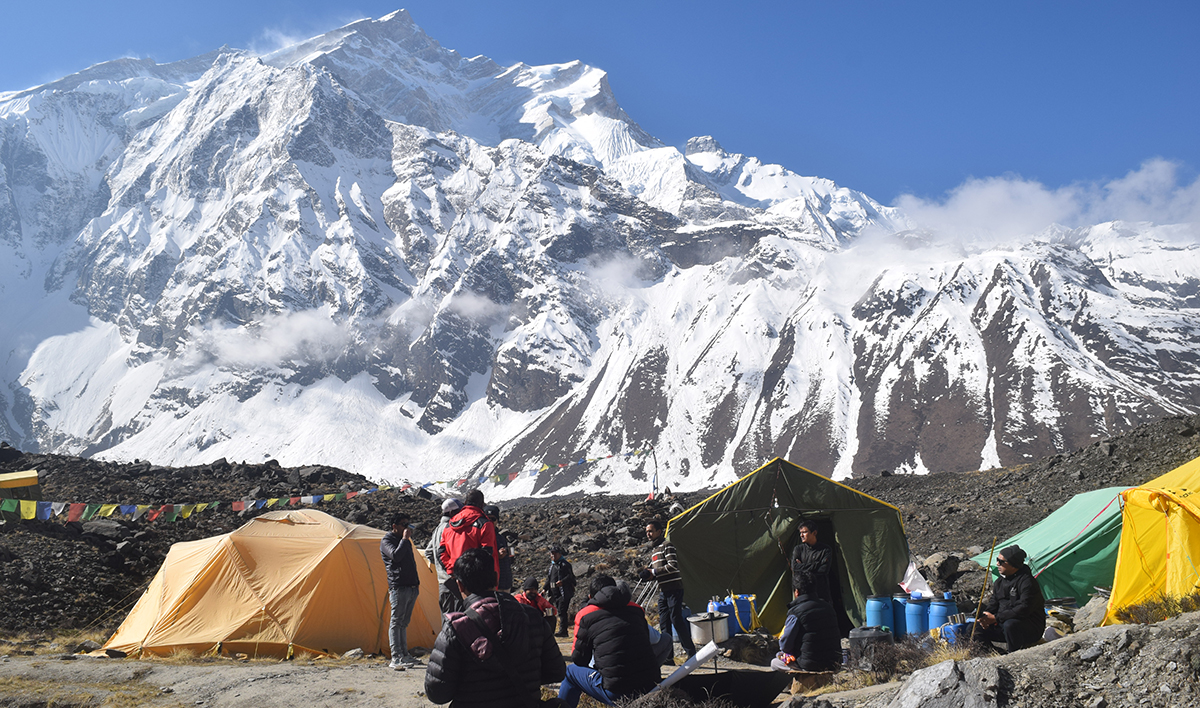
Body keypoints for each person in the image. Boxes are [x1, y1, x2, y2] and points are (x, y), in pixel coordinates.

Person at [425, 549, 566, 708]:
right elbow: (557, 671)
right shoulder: (533, 618)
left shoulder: (455, 629)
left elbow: (437, 693)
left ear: (460, 585)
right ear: (496, 578)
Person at [557, 576, 661, 707]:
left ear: (591, 597)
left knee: (570, 672)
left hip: (617, 691)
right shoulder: (636, 610)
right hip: (651, 685)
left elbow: (579, 659)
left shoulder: (587, 614)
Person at [641, 519, 696, 658]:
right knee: (664, 623)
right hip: (663, 591)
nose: (648, 534)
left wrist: (654, 572)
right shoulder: (654, 550)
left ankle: (691, 653)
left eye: (651, 531)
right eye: (647, 531)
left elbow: (672, 566)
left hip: (674, 589)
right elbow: (659, 571)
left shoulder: (667, 545)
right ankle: (668, 657)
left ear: (659, 532)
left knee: (676, 620)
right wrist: (649, 575)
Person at [975, 545, 1046, 653]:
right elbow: (994, 603)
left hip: (1029, 627)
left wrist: (996, 618)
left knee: (1011, 625)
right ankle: (994, 654)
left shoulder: (1027, 582)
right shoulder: (999, 582)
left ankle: (1014, 655)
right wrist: (985, 616)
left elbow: (1024, 608)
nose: (997, 564)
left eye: (1001, 561)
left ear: (1013, 564)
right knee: (973, 628)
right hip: (1002, 623)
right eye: (997, 560)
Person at [438, 489, 499, 613]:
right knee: (479, 622)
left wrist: (454, 570)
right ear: (482, 505)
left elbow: (441, 552)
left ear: (465, 502)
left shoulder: (450, 525)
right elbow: (487, 554)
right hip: (479, 585)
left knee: (455, 620)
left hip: (456, 580)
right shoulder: (485, 524)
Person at [771, 572, 841, 672]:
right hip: (834, 662)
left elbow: (785, 645)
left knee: (775, 662)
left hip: (810, 665)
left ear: (796, 592)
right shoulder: (828, 607)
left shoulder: (796, 612)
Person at [381, 512, 422, 670]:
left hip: (411, 586)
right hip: (398, 586)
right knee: (396, 622)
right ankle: (396, 657)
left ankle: (404, 655)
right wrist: (405, 539)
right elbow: (395, 556)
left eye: (408, 524)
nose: (407, 527)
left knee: (404, 623)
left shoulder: (405, 541)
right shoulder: (387, 540)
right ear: (394, 526)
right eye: (404, 524)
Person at [426, 497, 464, 614]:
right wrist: (450, 570)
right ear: (452, 513)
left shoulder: (437, 529)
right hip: (453, 582)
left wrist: (440, 568)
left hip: (442, 583)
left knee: (447, 620)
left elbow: (429, 552)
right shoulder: (450, 528)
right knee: (457, 620)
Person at [791, 519, 833, 604]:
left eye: (804, 532)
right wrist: (817, 564)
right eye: (800, 532)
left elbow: (823, 570)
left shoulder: (825, 550)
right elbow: (795, 567)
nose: (801, 535)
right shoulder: (798, 549)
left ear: (814, 533)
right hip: (803, 594)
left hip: (821, 593)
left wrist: (802, 566)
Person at [547, 545, 577, 637]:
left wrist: (562, 582)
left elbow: (571, 577)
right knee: (550, 610)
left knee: (562, 611)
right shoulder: (552, 566)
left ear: (560, 554)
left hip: (563, 592)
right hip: (553, 592)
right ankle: (551, 629)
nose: (553, 556)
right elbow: (549, 579)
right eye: (551, 554)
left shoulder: (565, 565)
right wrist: (544, 589)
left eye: (555, 554)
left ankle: (563, 631)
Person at [484, 504, 515, 592]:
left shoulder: (500, 537)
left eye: (493, 519)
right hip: (492, 585)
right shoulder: (483, 536)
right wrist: (496, 555)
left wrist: (507, 554)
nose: (490, 521)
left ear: (497, 520)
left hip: (505, 582)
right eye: (488, 518)